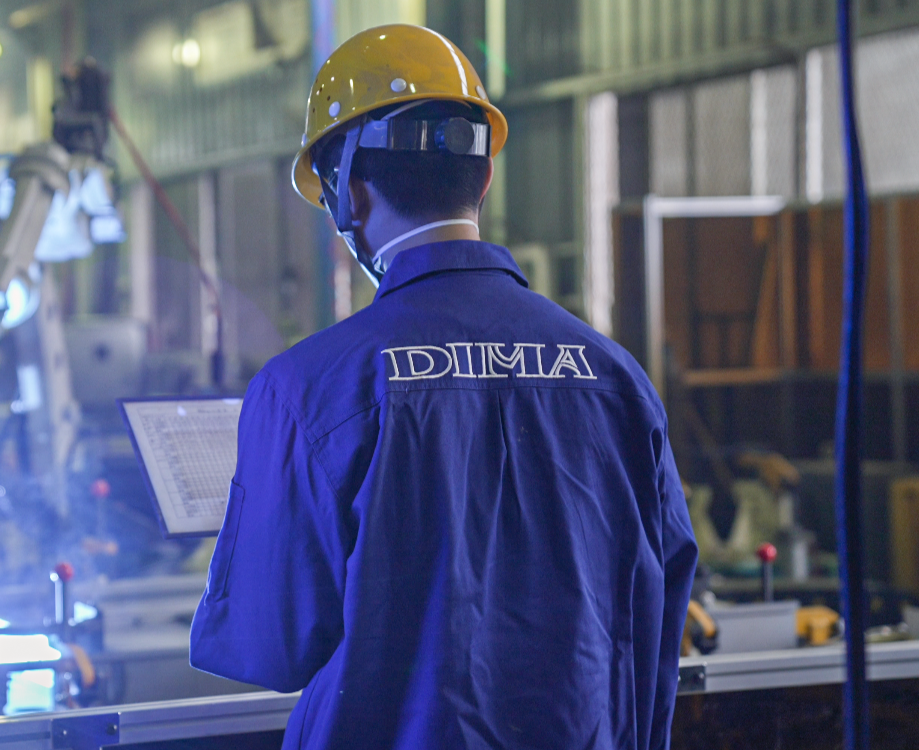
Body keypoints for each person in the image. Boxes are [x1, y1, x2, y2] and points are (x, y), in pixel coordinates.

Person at [189, 23, 698, 750]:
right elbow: (660, 620)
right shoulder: (614, 377)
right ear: (483, 175)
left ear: (345, 195)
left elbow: (269, 645)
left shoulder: (308, 387)